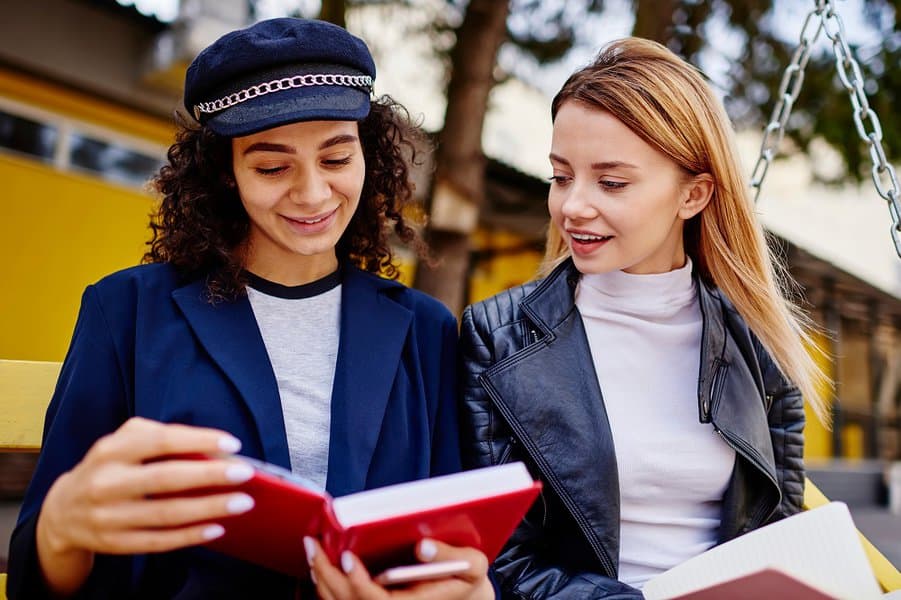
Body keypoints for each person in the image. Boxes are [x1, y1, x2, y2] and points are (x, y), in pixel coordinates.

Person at [8, 17, 491, 600]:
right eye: (272, 167)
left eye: (336, 159)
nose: (313, 194)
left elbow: (451, 544)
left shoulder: (426, 331)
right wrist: (60, 529)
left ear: (369, 156)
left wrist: (469, 589)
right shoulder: (127, 312)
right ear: (226, 174)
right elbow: (42, 566)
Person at [458, 37, 828, 598]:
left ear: (694, 194)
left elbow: (777, 541)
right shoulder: (496, 337)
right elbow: (501, 560)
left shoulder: (760, 348)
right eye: (561, 176)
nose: (573, 206)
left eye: (611, 182)